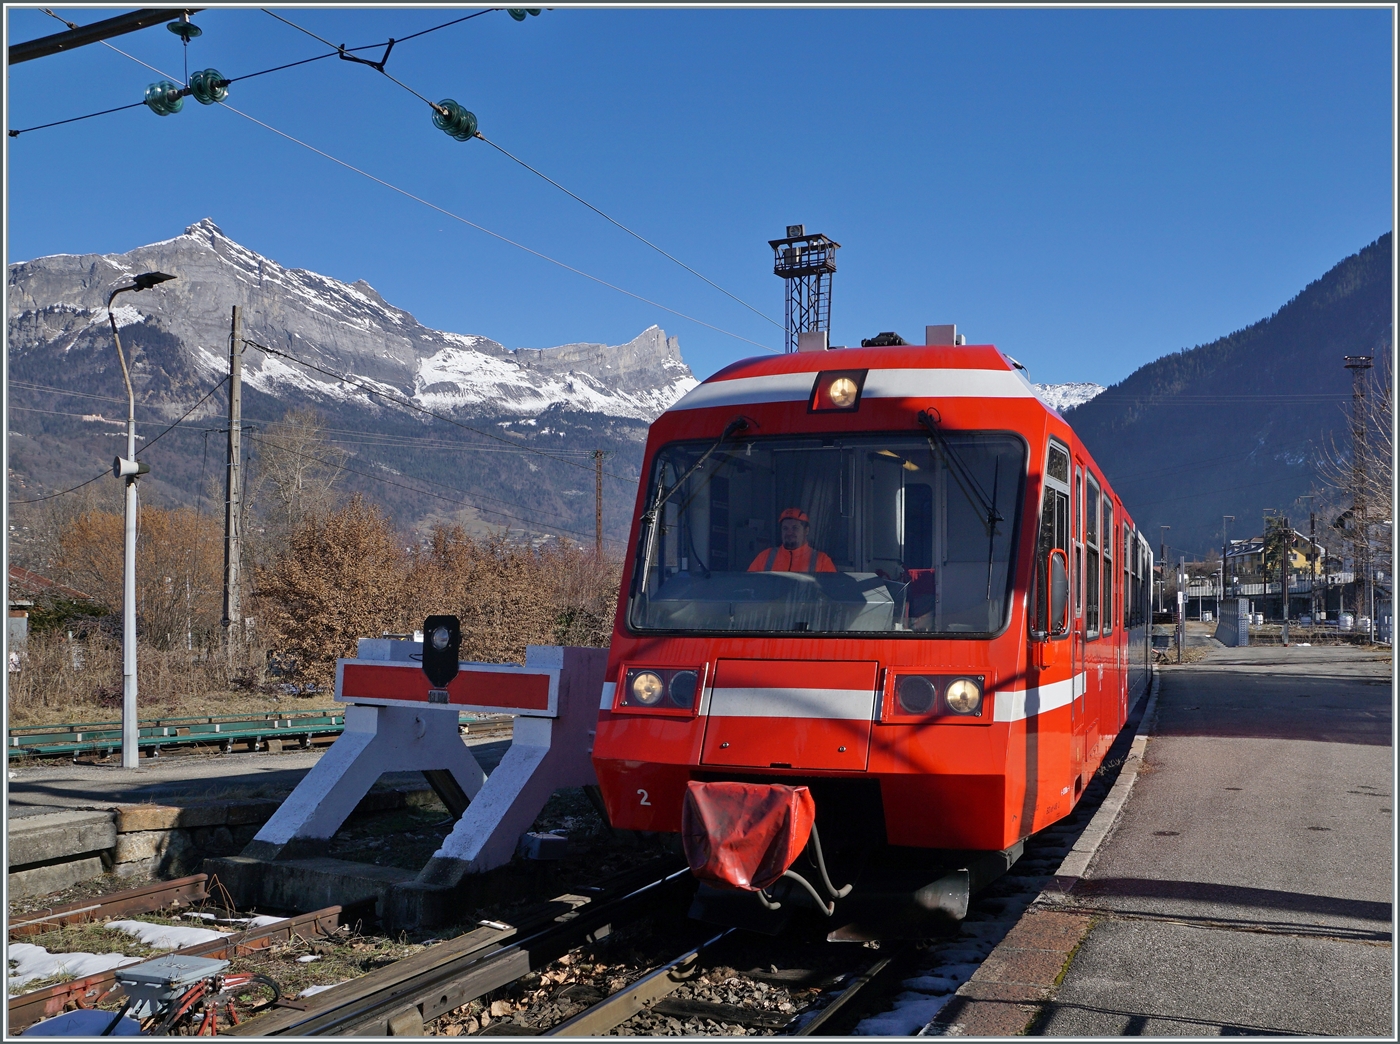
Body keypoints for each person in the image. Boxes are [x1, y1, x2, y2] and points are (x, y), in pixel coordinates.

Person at [748, 508, 836, 573]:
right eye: (785, 528)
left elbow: (831, 593)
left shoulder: (822, 561)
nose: (789, 533)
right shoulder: (764, 557)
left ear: (806, 531)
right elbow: (749, 587)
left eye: (795, 528)